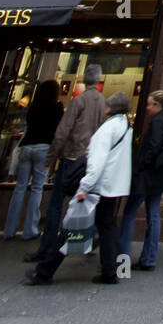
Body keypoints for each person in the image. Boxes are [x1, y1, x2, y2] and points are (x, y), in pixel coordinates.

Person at [26, 93, 132, 286]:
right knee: (108, 228)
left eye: (106, 104)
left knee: (70, 227)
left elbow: (97, 162)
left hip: (98, 187)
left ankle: (44, 271)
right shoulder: (125, 126)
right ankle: (111, 272)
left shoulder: (107, 129)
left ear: (110, 108)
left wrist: (84, 186)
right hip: (113, 186)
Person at [25, 64, 106, 265]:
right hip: (89, 159)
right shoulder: (102, 102)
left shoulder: (79, 101)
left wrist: (50, 159)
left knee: (55, 205)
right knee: (85, 202)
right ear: (98, 79)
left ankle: (48, 247)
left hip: (71, 158)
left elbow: (62, 132)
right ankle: (90, 236)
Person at [118, 90, 163, 270]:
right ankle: (149, 258)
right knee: (153, 214)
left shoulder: (158, 122)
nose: (147, 108)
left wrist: (141, 166)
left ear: (157, 105)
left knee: (129, 214)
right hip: (158, 176)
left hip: (147, 176)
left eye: (150, 104)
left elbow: (153, 147)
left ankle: (122, 261)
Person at [3, 80, 63, 243]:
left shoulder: (33, 107)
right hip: (43, 148)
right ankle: (29, 229)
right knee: (37, 188)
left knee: (19, 188)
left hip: (27, 146)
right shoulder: (57, 108)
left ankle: (9, 229)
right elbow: (59, 129)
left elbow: (28, 125)